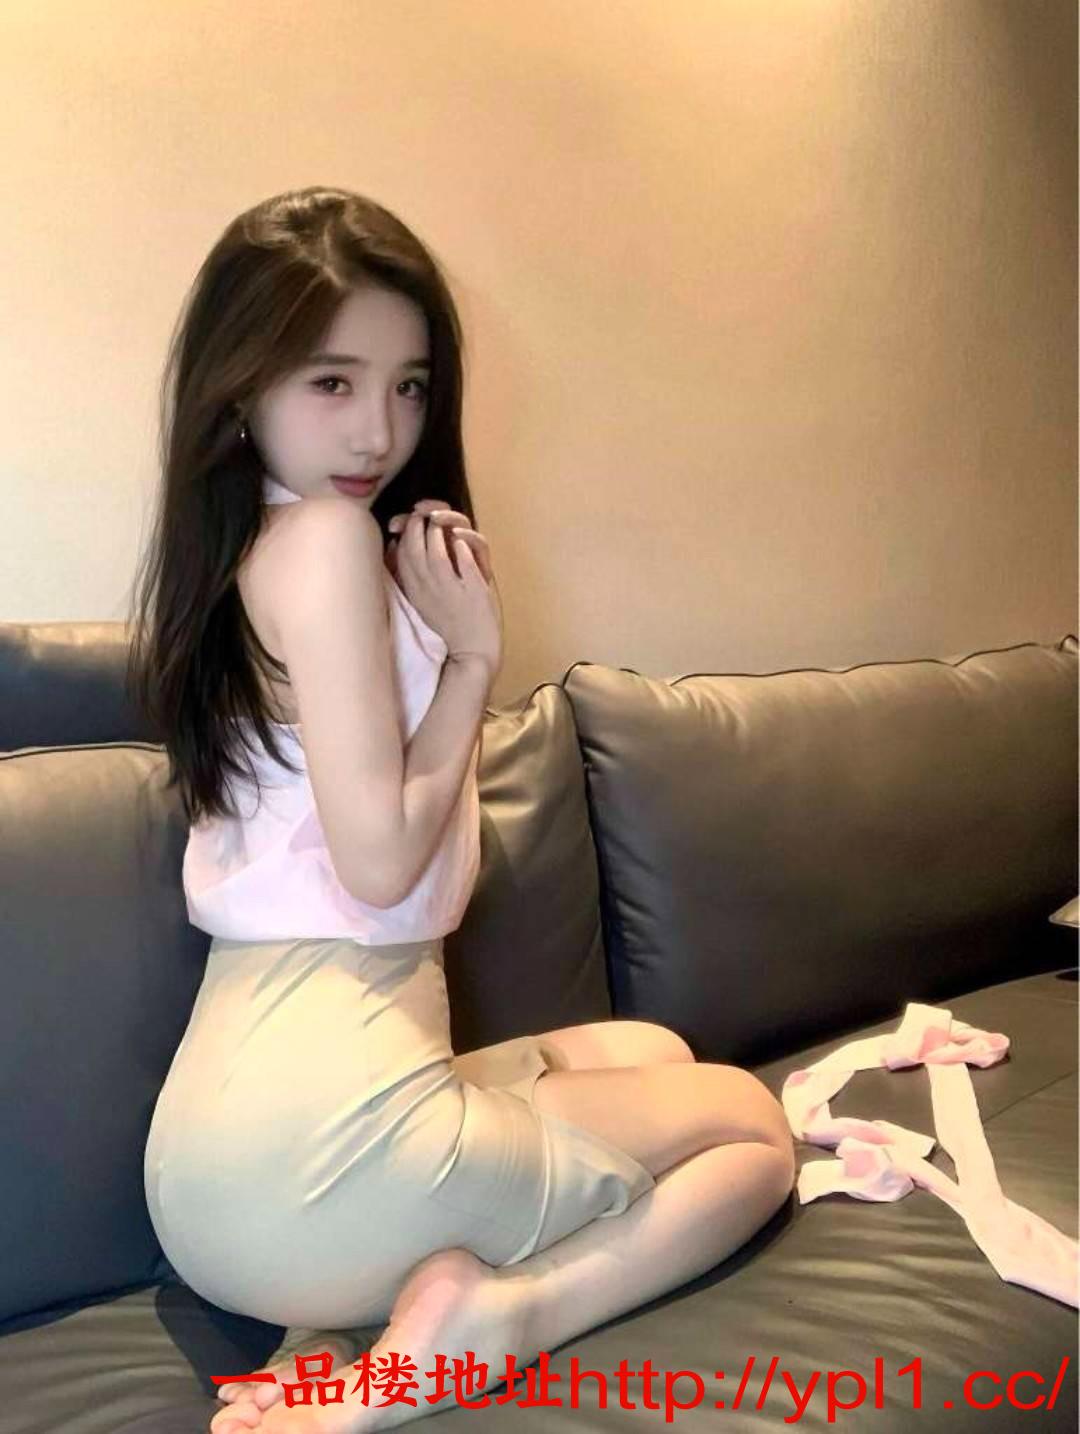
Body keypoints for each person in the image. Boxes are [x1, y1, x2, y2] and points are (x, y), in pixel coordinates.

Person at [127, 185, 796, 1434]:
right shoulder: (327, 541)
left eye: (411, 386)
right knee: (754, 1132)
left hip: (215, 1160)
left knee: (652, 1053)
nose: (379, 428)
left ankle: (340, 1318)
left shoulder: (247, 552)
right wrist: (474, 662)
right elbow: (382, 864)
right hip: (316, 1149)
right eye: (332, 382)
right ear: (240, 384)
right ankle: (495, 1323)